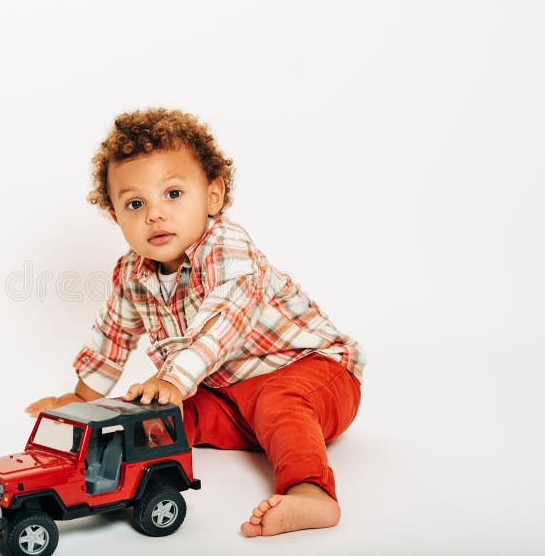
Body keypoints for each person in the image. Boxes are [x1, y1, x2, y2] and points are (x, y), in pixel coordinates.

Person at [26, 108, 365, 536]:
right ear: (116, 217)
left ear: (213, 196)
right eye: (135, 204)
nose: (154, 214)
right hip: (229, 394)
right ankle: (114, 476)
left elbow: (222, 323)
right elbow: (112, 336)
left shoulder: (228, 249)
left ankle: (310, 492)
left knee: (280, 404)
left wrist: (173, 377)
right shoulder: (133, 272)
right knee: (156, 416)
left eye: (172, 194)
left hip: (313, 374)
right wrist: (79, 400)